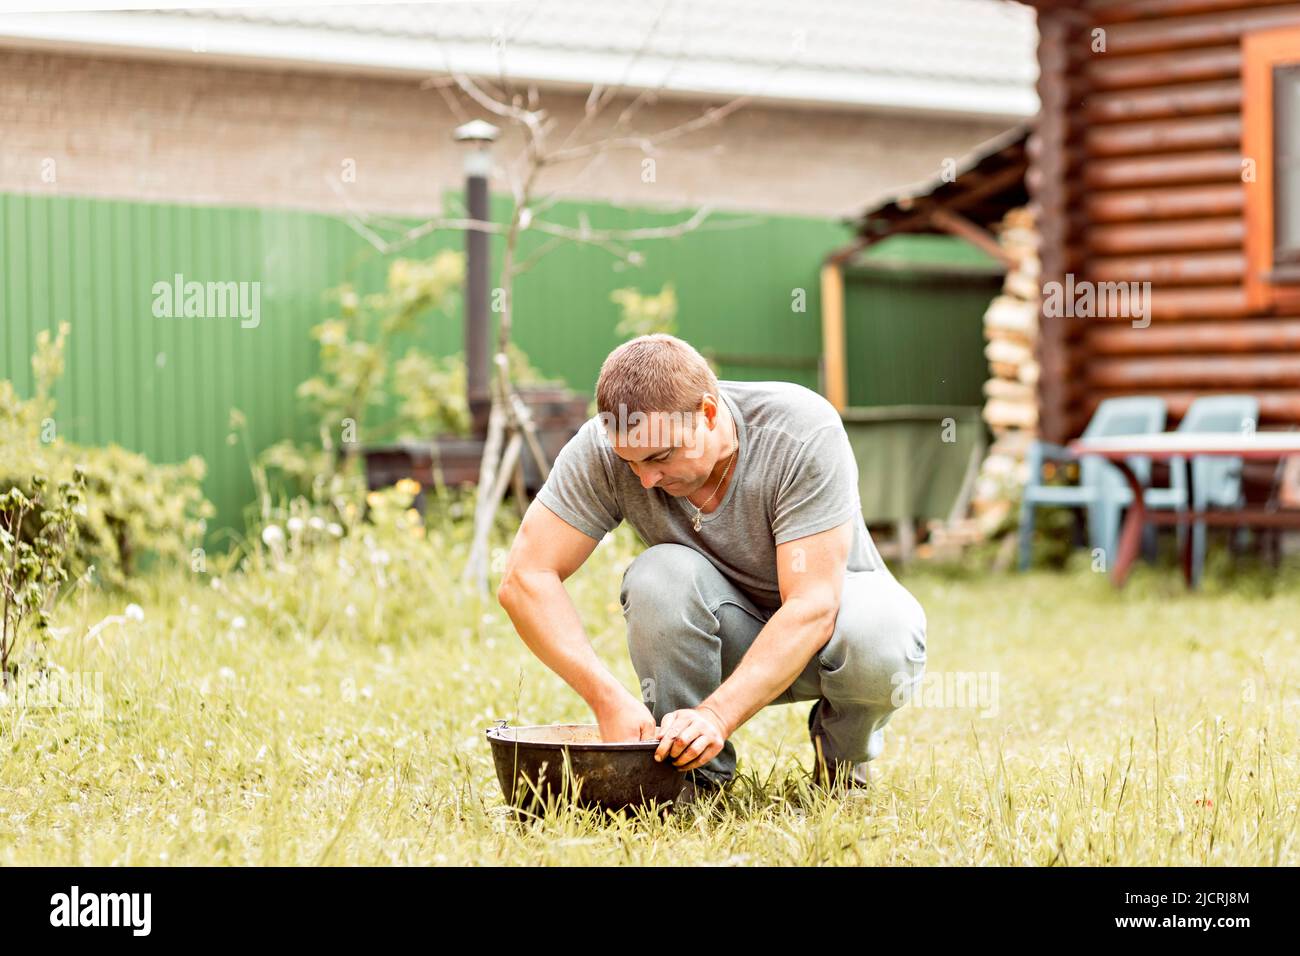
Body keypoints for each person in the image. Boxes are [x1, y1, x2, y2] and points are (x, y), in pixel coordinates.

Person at [496, 334, 927, 792]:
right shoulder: (606, 452)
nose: (644, 479)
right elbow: (525, 578)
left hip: (830, 640)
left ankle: (841, 772)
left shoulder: (800, 430)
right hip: (725, 636)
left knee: (882, 636)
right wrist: (606, 698)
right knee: (658, 576)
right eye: (630, 462)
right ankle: (693, 780)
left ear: (707, 412)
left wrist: (717, 715)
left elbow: (812, 606)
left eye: (660, 457)